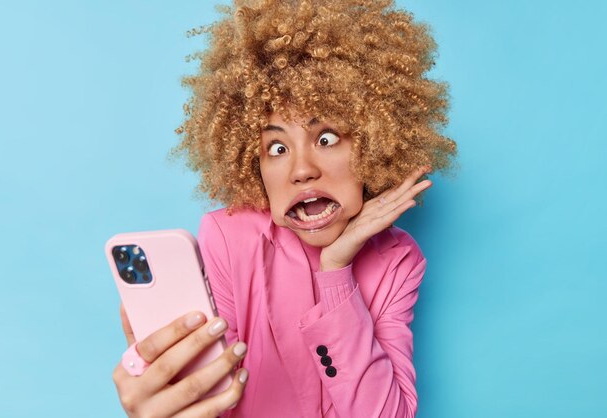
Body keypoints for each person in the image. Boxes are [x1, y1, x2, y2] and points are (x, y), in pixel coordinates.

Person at [112, 0, 457, 417]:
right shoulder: (230, 238)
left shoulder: (397, 260)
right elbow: (212, 397)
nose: (301, 170)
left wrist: (336, 273)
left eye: (326, 138)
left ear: (373, 143)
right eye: (276, 148)